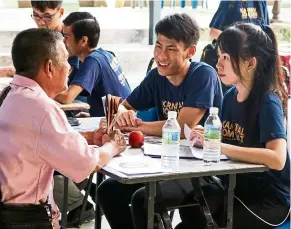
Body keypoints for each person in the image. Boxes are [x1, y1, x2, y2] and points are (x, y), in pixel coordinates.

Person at [97, 13, 223, 229]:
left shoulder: (203, 75)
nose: (161, 55)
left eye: (171, 48)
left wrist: (135, 125)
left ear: (190, 51)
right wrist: (120, 114)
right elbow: (125, 105)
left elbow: (184, 129)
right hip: (164, 164)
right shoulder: (157, 76)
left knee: (142, 199)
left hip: (202, 170)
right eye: (158, 46)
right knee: (107, 190)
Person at [0, 28, 126, 229]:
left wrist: (89, 137)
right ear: (49, 67)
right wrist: (113, 146)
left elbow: (32, 139)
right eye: (65, 60)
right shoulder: (43, 108)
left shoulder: (8, 94)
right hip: (27, 219)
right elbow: (87, 163)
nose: (69, 67)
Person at [176, 23, 290, 229]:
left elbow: (277, 159)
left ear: (250, 63)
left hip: (269, 201)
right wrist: (208, 137)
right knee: (190, 209)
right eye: (219, 56)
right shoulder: (230, 98)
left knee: (203, 222)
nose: (218, 64)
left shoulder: (267, 102)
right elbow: (233, 141)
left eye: (226, 58)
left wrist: (218, 147)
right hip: (234, 188)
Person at [54, 12, 131, 117]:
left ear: (83, 40)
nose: (63, 41)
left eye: (67, 37)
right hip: (115, 120)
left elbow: (67, 98)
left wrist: (41, 93)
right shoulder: (105, 55)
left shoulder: (93, 61)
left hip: (119, 127)